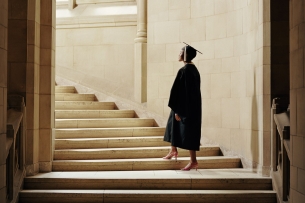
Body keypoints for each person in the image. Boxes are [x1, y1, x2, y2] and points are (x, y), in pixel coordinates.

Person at [163, 44, 202, 171]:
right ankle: (173, 150)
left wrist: (178, 110)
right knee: (172, 125)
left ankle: (193, 161)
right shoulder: (193, 70)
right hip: (190, 106)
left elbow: (180, 92)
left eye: (180, 52)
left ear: (185, 55)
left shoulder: (185, 71)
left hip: (184, 106)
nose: (179, 54)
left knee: (189, 132)